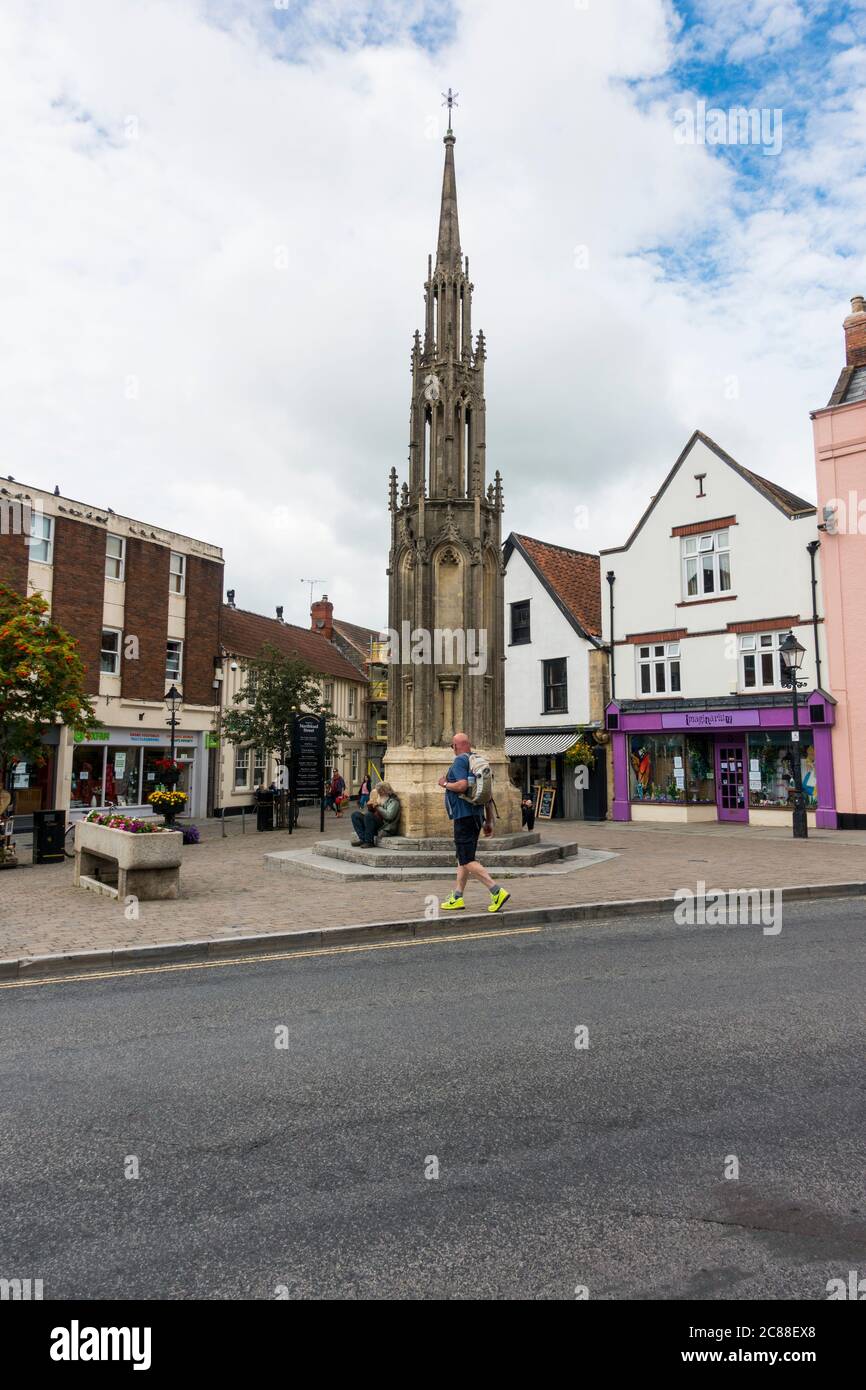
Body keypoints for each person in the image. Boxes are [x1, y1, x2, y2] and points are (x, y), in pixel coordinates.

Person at [438, 732, 510, 914]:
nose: (452, 749)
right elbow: (487, 795)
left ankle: (496, 891)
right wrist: (489, 820)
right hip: (476, 816)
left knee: (467, 859)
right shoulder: (476, 760)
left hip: (464, 817)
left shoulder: (459, 761)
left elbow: (461, 786)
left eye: (452, 746)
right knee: (463, 858)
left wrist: (445, 784)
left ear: (455, 746)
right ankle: (457, 897)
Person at [351, 782, 400, 846]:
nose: (379, 793)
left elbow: (389, 816)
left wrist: (377, 807)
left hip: (385, 826)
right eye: (379, 792)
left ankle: (369, 841)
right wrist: (370, 807)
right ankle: (363, 839)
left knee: (368, 815)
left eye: (380, 792)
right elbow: (373, 812)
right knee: (355, 815)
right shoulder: (380, 798)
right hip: (375, 822)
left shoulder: (393, 801)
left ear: (385, 791)